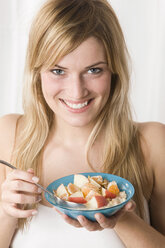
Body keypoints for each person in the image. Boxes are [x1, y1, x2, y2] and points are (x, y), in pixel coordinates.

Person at [0, 0, 165, 247]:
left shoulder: (151, 141)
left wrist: (121, 217)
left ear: (114, 71)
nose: (76, 92)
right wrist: (6, 213)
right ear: (37, 72)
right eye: (58, 71)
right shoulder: (9, 134)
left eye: (94, 70)